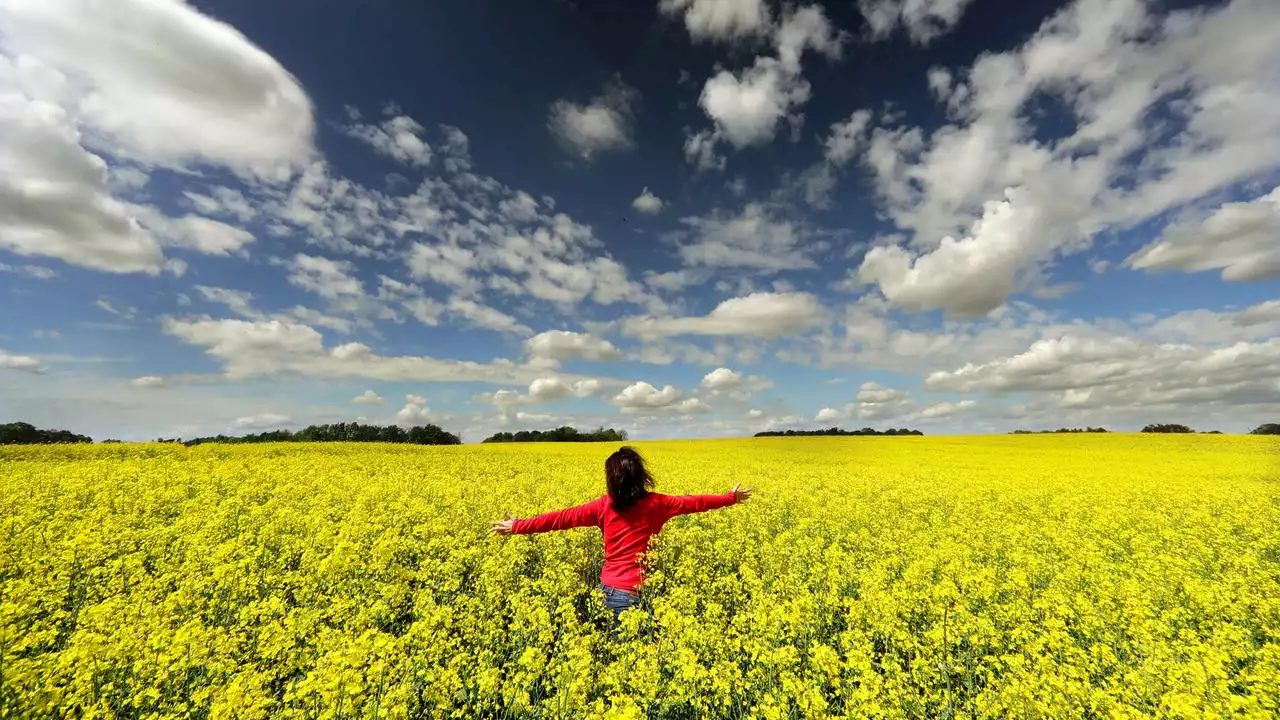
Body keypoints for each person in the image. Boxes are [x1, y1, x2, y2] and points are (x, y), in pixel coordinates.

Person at [490, 446, 752, 624]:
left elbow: (560, 519)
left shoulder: (602, 506)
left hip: (607, 591)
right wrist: (730, 498)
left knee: (617, 661)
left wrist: (517, 526)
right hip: (635, 593)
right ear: (641, 476)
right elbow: (695, 502)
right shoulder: (659, 504)